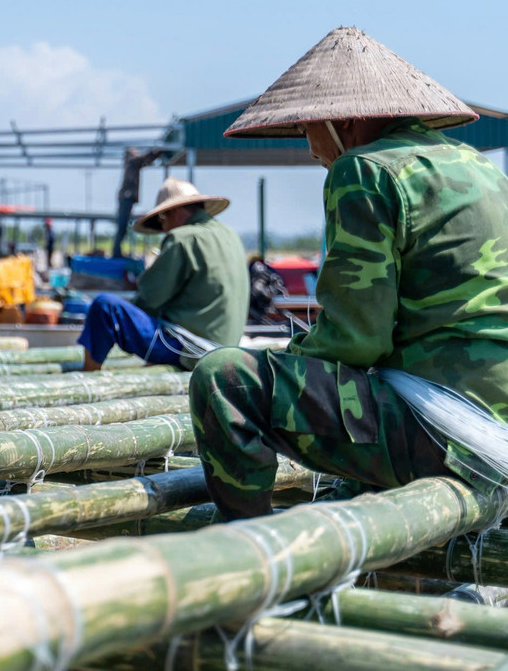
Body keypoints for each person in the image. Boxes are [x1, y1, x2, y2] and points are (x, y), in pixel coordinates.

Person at [189, 26, 508, 521]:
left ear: (347, 120)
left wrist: (290, 356)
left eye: (308, 129)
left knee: (223, 378)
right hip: (492, 424)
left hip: (440, 432)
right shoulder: (480, 166)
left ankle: (246, 545)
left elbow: (356, 341)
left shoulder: (363, 169)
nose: (310, 148)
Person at [79, 178, 247, 370]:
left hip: (191, 350)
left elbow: (149, 300)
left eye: (162, 220)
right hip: (226, 350)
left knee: (104, 307)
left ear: (175, 212)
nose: (163, 229)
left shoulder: (182, 238)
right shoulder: (230, 235)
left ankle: (89, 374)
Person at [112, 147, 166, 258]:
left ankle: (116, 252)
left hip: (126, 198)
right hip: (126, 198)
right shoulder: (132, 162)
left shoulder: (132, 164)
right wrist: (158, 151)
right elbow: (145, 159)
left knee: (123, 226)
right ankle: (116, 253)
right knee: (122, 226)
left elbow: (145, 161)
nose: (137, 153)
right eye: (135, 152)